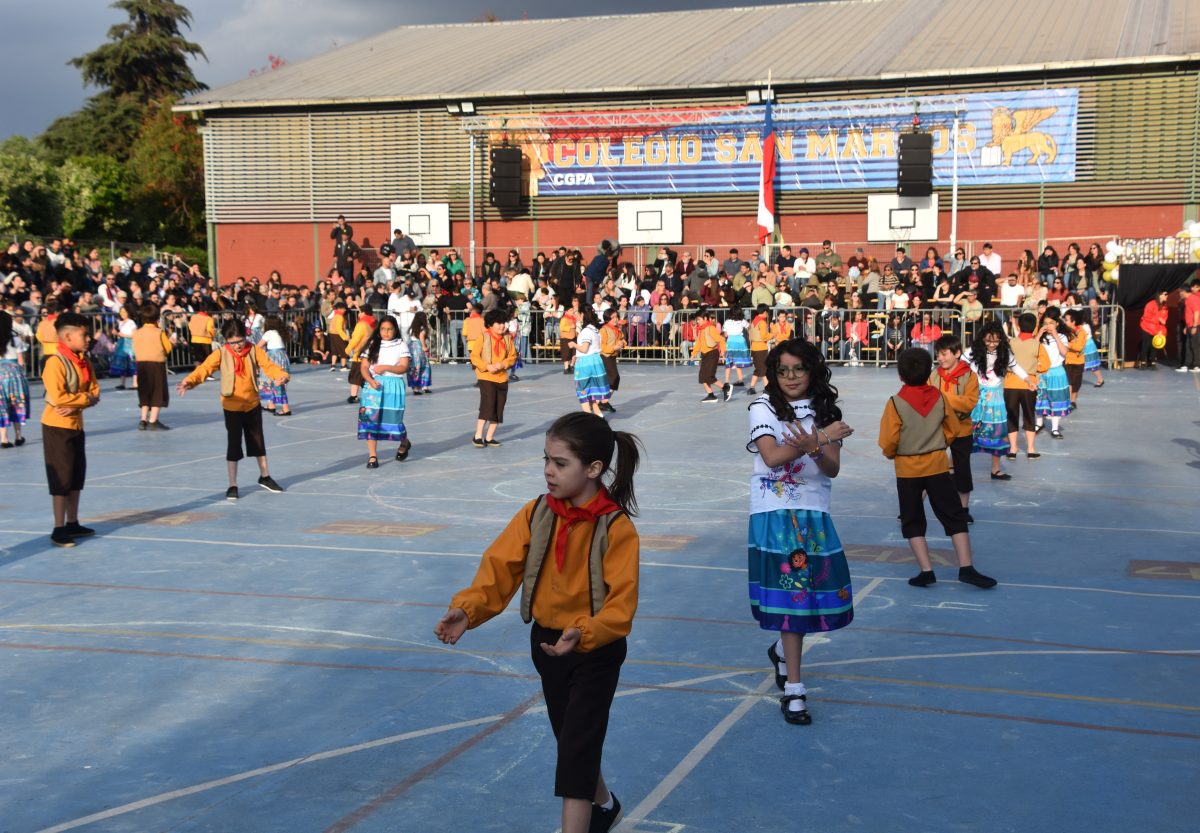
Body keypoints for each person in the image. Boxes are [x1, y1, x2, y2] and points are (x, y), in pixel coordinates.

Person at [435, 412, 642, 833]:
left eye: (560, 463)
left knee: (576, 750)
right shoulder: (535, 513)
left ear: (594, 469)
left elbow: (620, 606)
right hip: (547, 646)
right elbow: (500, 569)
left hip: (595, 651)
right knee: (572, 742)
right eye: (545, 459)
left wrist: (583, 632)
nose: (548, 470)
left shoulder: (616, 528)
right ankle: (605, 805)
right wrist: (468, 610)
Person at [748, 339, 854, 725]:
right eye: (782, 371)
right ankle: (794, 690)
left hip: (814, 513)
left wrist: (818, 445)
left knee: (808, 598)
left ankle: (782, 651)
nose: (791, 377)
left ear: (813, 371)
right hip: (775, 514)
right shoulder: (762, 407)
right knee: (792, 600)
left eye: (799, 369)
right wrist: (818, 439)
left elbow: (831, 469)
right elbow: (772, 456)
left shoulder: (826, 411)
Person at [879, 348, 997, 590]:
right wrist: (939, 444)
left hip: (908, 470)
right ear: (928, 373)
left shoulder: (895, 403)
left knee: (912, 520)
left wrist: (892, 453)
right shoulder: (940, 398)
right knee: (954, 516)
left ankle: (926, 570)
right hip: (938, 466)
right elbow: (952, 429)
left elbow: (888, 440)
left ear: (900, 376)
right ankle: (966, 567)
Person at [176, 319, 289, 501]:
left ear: (245, 337)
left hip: (252, 403)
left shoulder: (254, 350)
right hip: (232, 406)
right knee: (234, 444)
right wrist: (189, 381)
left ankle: (265, 476)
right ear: (226, 341)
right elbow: (204, 369)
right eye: (233, 342)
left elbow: (269, 366)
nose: (237, 346)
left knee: (258, 441)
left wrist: (282, 375)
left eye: (240, 341)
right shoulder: (221, 353)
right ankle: (232, 484)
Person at [41, 312, 100, 547]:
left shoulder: (84, 361)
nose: (88, 339)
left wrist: (80, 401)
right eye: (84, 335)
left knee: (76, 475)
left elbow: (95, 392)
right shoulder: (55, 362)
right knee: (61, 477)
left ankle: (72, 522)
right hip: (57, 426)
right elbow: (58, 397)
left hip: (75, 422)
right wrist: (85, 399)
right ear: (67, 337)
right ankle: (59, 527)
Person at [931, 334, 981, 517]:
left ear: (957, 353)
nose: (940, 358)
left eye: (944, 354)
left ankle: (963, 508)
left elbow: (969, 402)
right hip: (938, 428)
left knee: (962, 469)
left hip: (961, 429)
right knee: (928, 466)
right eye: (938, 354)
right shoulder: (934, 375)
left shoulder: (970, 376)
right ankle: (915, 505)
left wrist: (942, 398)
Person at [357, 315, 411, 468]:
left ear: (395, 330)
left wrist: (386, 367)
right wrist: (369, 380)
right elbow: (364, 367)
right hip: (373, 387)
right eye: (383, 329)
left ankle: (404, 442)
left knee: (393, 419)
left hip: (393, 386)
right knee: (370, 420)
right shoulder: (372, 344)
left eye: (389, 329)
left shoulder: (401, 345)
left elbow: (403, 367)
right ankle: (372, 456)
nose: (386, 332)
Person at [965, 322, 1015, 481]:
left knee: (997, 431)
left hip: (995, 399)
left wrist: (1028, 379)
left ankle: (996, 469)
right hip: (976, 395)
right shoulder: (973, 351)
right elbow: (961, 364)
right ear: (982, 338)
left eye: (995, 341)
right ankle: (953, 466)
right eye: (988, 341)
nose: (992, 344)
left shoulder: (1005, 353)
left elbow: (1016, 367)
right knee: (966, 430)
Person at [470, 309, 517, 447]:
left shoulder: (507, 339)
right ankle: (478, 435)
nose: (502, 326)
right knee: (488, 404)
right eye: (498, 323)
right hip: (486, 376)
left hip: (502, 377)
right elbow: (474, 356)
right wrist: (487, 366)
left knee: (499, 406)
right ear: (490, 324)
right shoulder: (483, 338)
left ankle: (490, 437)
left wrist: (503, 364)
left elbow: (512, 356)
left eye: (503, 323)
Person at [1005, 313, 1044, 460]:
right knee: (1029, 415)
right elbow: (1045, 364)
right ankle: (1031, 449)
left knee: (1011, 416)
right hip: (1030, 384)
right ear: (1035, 327)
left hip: (1010, 383)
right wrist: (1034, 369)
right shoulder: (1037, 345)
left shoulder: (1010, 342)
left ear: (1018, 325)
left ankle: (1013, 449)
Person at [132, 304, 173, 431]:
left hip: (141, 364)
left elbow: (134, 347)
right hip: (156, 364)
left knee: (144, 391)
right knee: (157, 391)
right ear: (157, 318)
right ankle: (153, 420)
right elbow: (168, 348)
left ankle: (143, 419)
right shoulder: (159, 332)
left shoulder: (137, 332)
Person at [1034, 307, 1071, 439]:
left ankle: (1055, 428)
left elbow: (1065, 352)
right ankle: (1039, 423)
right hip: (1041, 372)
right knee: (1040, 398)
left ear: (1057, 323)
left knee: (1056, 399)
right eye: (1045, 323)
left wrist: (1055, 335)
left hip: (1056, 372)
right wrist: (1039, 333)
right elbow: (1032, 349)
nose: (1048, 326)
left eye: (1051, 323)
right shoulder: (1041, 338)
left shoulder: (1062, 337)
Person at [569, 307, 611, 418]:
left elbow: (584, 349)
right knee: (591, 391)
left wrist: (573, 345)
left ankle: (587, 418)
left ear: (583, 314)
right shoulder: (595, 329)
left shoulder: (586, 331)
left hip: (585, 363)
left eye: (578, 313)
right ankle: (598, 415)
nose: (576, 316)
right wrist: (577, 354)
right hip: (595, 361)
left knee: (582, 391)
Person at [0, 315, 29, 449]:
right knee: (16, 402)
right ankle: (18, 436)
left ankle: (4, 438)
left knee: (2, 405)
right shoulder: (15, 339)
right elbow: (21, 360)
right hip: (14, 373)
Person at [258, 315, 292, 416]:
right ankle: (271, 405)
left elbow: (258, 346)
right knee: (278, 381)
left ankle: (286, 409)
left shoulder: (269, 333)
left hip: (273, 357)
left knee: (272, 381)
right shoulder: (280, 333)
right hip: (282, 357)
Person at [690, 308, 726, 403]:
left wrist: (723, 350)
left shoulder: (710, 328)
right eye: (697, 319)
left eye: (699, 319)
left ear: (705, 318)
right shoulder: (701, 330)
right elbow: (698, 343)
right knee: (702, 377)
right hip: (705, 355)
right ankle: (711, 395)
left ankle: (725, 388)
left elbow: (721, 340)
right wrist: (693, 354)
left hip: (712, 354)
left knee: (709, 376)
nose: (697, 321)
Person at [344, 303, 378, 404]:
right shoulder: (373, 324)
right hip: (367, 354)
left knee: (355, 376)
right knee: (365, 375)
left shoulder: (361, 324)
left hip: (359, 354)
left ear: (363, 313)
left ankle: (353, 395)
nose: (358, 314)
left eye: (359, 312)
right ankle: (370, 393)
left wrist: (348, 349)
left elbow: (356, 339)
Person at [598, 308, 625, 414]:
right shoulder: (603, 330)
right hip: (605, 356)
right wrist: (613, 348)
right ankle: (603, 401)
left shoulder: (617, 329)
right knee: (614, 377)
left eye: (616, 317)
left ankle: (602, 401)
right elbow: (601, 346)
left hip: (612, 356)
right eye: (612, 317)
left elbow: (622, 339)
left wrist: (622, 343)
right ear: (607, 319)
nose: (615, 319)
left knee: (610, 379)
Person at [1137, 290, 1169, 369]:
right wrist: (1158, 319)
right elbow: (1146, 316)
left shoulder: (1165, 307)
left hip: (1157, 329)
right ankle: (1143, 362)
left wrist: (1161, 329)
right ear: (1160, 295)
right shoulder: (1151, 304)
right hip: (1147, 327)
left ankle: (1153, 361)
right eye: (1165, 294)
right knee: (1146, 344)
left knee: (1155, 345)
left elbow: (1164, 319)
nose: (1167, 296)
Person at [722, 312, 752, 394]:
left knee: (729, 361)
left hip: (731, 341)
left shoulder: (727, 322)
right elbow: (749, 326)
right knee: (738, 361)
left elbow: (725, 334)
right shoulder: (742, 321)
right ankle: (740, 380)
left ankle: (727, 381)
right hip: (740, 341)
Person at [747, 304, 772, 394]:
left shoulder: (754, 321)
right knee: (764, 369)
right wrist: (773, 335)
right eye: (767, 312)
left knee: (758, 369)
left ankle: (752, 388)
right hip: (761, 348)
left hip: (754, 347)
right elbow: (764, 336)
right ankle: (767, 388)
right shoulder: (762, 322)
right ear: (765, 312)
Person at [406, 311, 433, 395]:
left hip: (412, 348)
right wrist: (424, 346)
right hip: (419, 347)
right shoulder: (423, 328)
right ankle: (425, 386)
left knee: (414, 367)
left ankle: (415, 388)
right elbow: (421, 336)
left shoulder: (412, 328)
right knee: (425, 366)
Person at [110, 306, 137, 388]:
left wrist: (121, 334)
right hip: (122, 344)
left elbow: (134, 335)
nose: (122, 314)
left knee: (132, 363)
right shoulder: (121, 323)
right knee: (122, 363)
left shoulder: (131, 322)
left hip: (129, 344)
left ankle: (135, 383)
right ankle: (122, 383)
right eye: (121, 312)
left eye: (124, 312)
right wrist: (116, 333)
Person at [1180, 279, 1200, 372]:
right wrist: (1186, 326)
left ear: (1184, 291)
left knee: (1195, 346)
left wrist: (1195, 326)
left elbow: (1196, 312)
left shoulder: (1193, 298)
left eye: (1181, 292)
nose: (1180, 294)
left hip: (1195, 326)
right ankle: (1186, 365)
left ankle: (1197, 365)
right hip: (1189, 326)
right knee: (1187, 346)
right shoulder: (1187, 300)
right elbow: (1188, 314)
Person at [188, 300, 215, 366]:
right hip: (205, 340)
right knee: (207, 359)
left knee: (198, 359)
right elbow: (210, 329)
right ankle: (207, 372)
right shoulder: (208, 318)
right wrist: (212, 335)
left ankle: (198, 371)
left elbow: (190, 326)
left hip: (195, 339)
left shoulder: (193, 317)